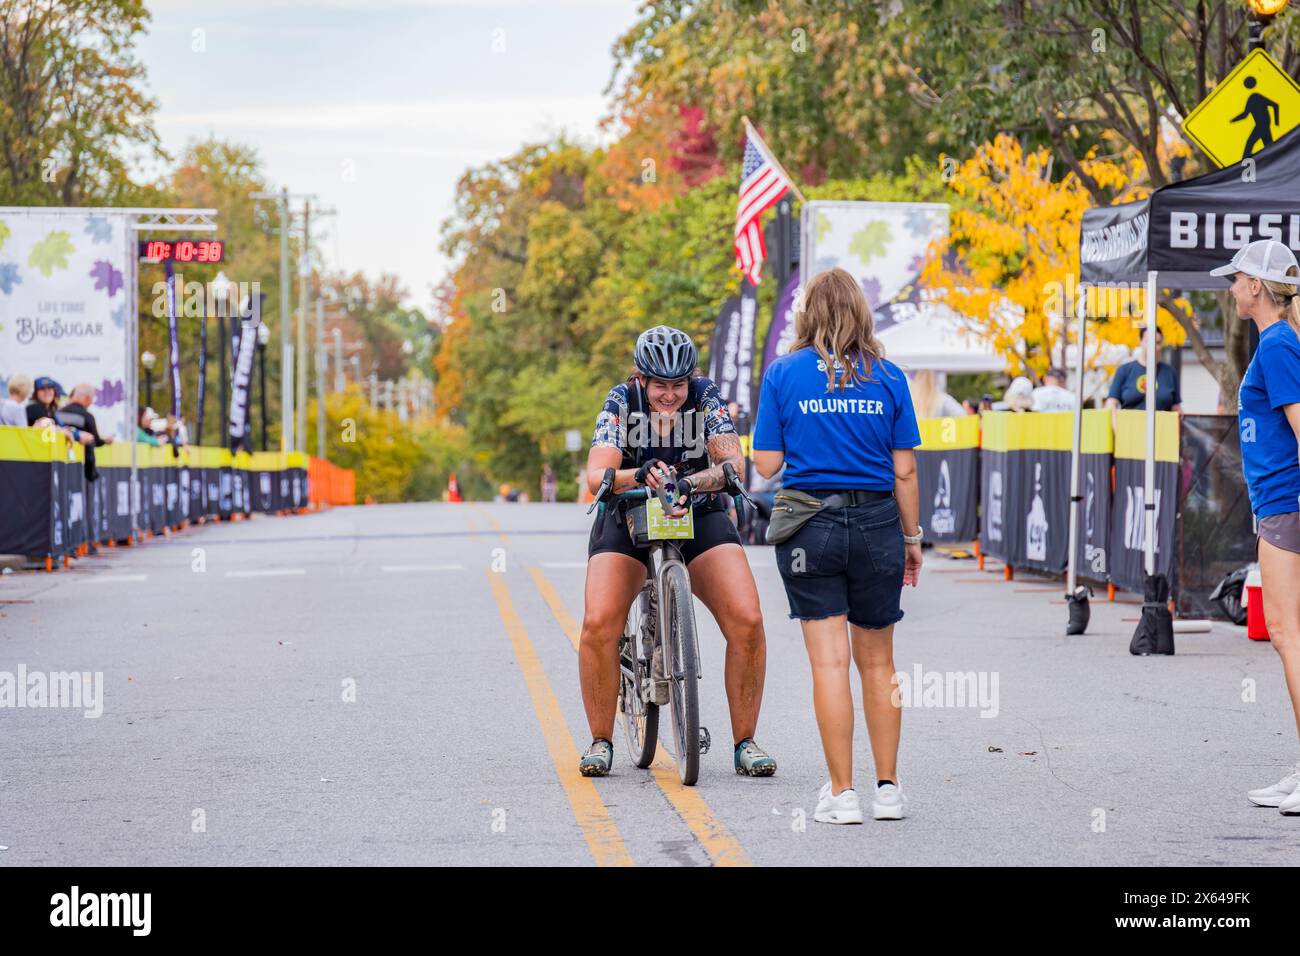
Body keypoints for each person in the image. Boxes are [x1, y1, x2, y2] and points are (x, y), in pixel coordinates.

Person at [752, 267, 923, 824]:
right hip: (877, 526)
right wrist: (912, 539)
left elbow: (767, 465)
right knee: (880, 665)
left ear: (805, 315)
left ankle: (843, 794)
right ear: (862, 312)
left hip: (810, 525)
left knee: (830, 664)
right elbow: (904, 472)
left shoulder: (783, 374)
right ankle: (889, 790)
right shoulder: (891, 376)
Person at [576, 325, 775, 778]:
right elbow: (596, 476)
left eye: (678, 385)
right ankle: (600, 739)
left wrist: (689, 482)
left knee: (748, 619)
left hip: (696, 510)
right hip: (626, 514)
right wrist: (636, 474)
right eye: (660, 385)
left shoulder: (705, 396)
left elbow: (732, 465)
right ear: (641, 380)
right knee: (598, 622)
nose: (670, 395)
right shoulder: (621, 401)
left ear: (691, 379)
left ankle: (746, 742)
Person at [1210, 240, 1300, 815]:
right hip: (1278, 503)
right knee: (1289, 637)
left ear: (1258, 289)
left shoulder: (1278, 346)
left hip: (1287, 504)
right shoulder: (1277, 343)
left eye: (1238, 279)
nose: (1232, 287)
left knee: (1288, 636)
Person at [1106, 324, 1182, 418]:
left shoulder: (1170, 372)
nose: (1153, 347)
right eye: (1149, 342)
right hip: (1129, 430)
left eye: (1157, 343)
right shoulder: (1124, 370)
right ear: (1140, 341)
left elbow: (1176, 408)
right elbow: (1111, 403)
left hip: (1162, 430)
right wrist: (1116, 427)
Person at [57, 384, 113, 481]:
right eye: (91, 399)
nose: (91, 402)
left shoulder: (58, 413)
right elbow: (95, 440)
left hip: (59, 464)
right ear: (87, 398)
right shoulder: (87, 417)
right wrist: (105, 441)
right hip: (81, 469)